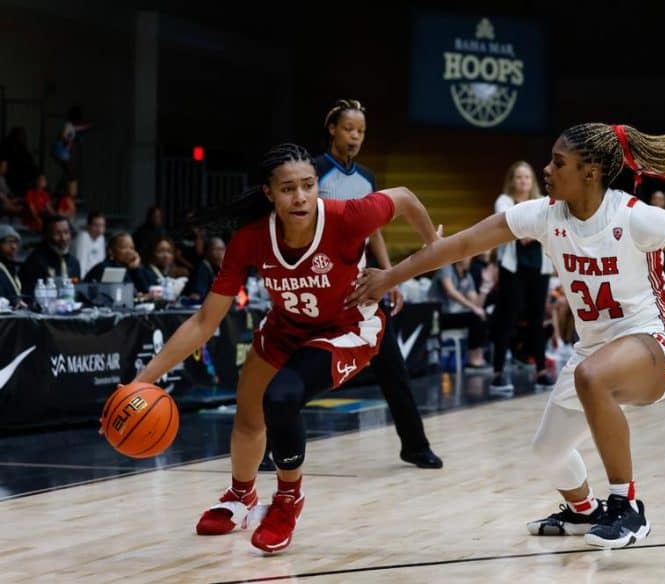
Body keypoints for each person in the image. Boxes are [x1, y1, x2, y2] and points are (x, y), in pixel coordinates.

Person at [348, 122, 665, 549]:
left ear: (590, 172)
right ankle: (583, 510)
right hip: (597, 350)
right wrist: (390, 276)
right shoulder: (542, 216)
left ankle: (629, 506)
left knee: (591, 376)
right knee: (547, 451)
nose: (547, 170)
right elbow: (461, 244)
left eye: (557, 163)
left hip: (657, 343)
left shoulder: (634, 217)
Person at [127, 143, 440, 553]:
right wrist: (138, 383)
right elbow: (205, 321)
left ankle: (288, 499)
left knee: (283, 397)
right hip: (286, 327)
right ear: (269, 193)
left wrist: (430, 246)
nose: (301, 197)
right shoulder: (250, 240)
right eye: (289, 188)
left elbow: (405, 198)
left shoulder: (347, 217)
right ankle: (241, 495)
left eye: (309, 186)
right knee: (249, 412)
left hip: (347, 327)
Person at [313, 98, 442, 468]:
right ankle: (269, 445)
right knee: (296, 367)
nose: (355, 136)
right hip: (320, 284)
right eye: (349, 128)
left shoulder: (367, 178)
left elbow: (375, 232)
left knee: (392, 367)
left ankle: (415, 445)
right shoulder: (313, 172)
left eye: (361, 131)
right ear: (333, 129)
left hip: (362, 286)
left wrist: (392, 277)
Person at [491, 161, 554, 392]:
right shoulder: (504, 201)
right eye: (519, 177)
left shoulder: (542, 203)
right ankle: (497, 373)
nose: (523, 181)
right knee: (507, 318)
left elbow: (544, 231)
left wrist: (531, 232)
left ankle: (541, 371)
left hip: (538, 268)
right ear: (512, 180)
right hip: (512, 269)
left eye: (527, 177)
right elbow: (515, 230)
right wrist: (533, 231)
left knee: (537, 320)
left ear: (532, 181)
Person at [428, 256, 491, 369]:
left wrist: (485, 287)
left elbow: (477, 304)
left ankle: (479, 354)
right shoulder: (446, 267)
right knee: (475, 317)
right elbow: (450, 291)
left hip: (454, 314)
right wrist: (473, 307)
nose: (470, 259)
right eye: (468, 256)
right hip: (437, 316)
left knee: (484, 316)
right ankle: (473, 359)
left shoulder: (467, 276)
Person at [19, 214, 81, 300]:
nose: (63, 238)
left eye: (66, 232)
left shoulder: (74, 263)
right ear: (46, 235)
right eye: (57, 233)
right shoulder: (35, 261)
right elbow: (29, 295)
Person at [83, 232, 150, 294]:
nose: (129, 251)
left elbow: (145, 291)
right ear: (111, 251)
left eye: (132, 248)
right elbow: (120, 295)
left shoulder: (132, 267)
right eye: (124, 247)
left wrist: (136, 269)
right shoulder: (106, 268)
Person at [51, 106, 90, 180]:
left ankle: (67, 183)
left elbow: (79, 129)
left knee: (70, 173)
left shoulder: (71, 127)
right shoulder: (69, 126)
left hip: (63, 153)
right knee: (71, 174)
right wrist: (69, 141)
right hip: (61, 152)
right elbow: (64, 137)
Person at [184, 237, 226, 301]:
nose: (220, 254)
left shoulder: (216, 269)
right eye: (217, 249)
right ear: (207, 252)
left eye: (223, 250)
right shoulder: (202, 269)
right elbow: (196, 297)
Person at [73, 211, 107, 275]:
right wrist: (82, 283)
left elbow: (101, 261)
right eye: (96, 225)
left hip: (95, 277)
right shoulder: (83, 237)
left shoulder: (101, 238)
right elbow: (81, 263)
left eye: (102, 225)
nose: (100, 229)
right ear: (88, 226)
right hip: (84, 277)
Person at [0, 225, 24, 307]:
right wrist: (14, 302)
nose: (14, 246)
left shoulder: (10, 266)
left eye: (15, 242)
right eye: (9, 242)